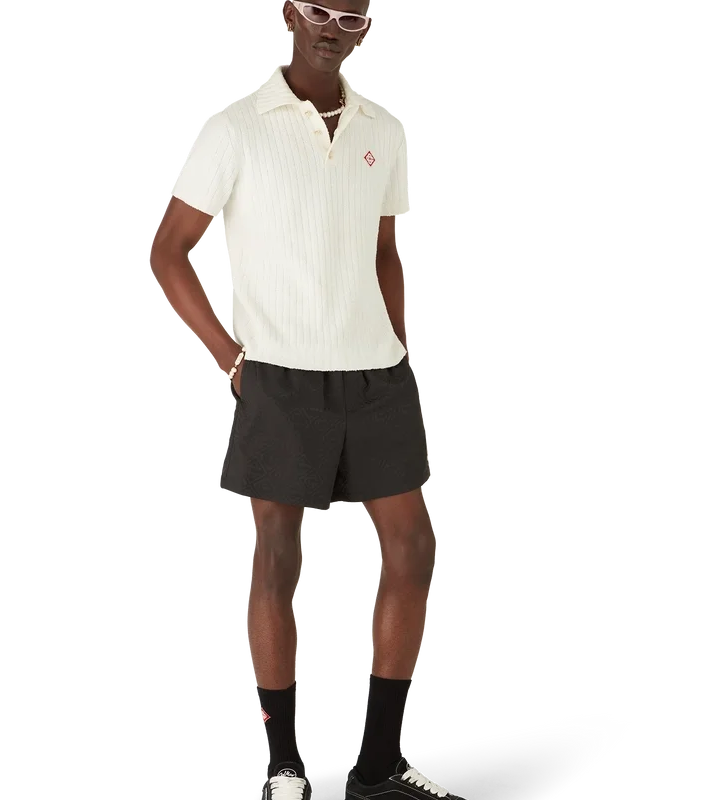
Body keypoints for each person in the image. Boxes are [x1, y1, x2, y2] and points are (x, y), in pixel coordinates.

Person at [149, 1, 465, 798]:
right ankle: (282, 763)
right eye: (319, 11)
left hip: (377, 373)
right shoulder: (235, 126)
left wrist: (398, 349)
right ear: (289, 14)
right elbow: (170, 252)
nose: (333, 28)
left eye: (351, 16)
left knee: (413, 549)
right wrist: (232, 361)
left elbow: (385, 250)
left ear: (368, 27)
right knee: (278, 555)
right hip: (278, 374)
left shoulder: (384, 128)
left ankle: (377, 763)